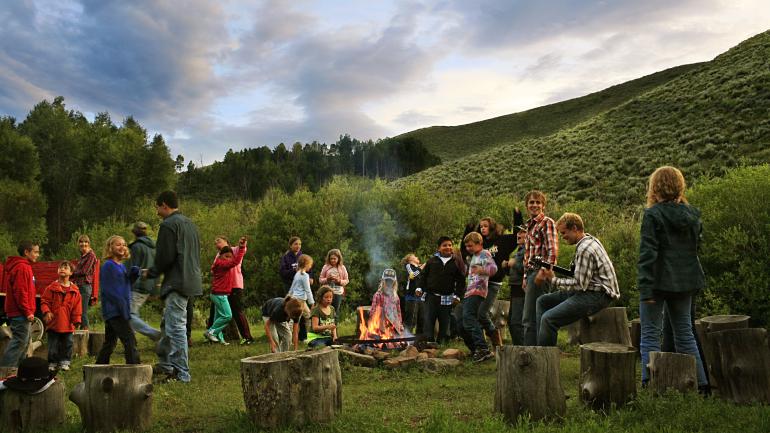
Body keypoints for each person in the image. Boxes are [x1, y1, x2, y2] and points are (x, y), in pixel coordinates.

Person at [637, 166, 708, 391]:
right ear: (679, 186)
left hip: (658, 283)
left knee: (649, 334)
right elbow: (696, 248)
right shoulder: (693, 214)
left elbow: (648, 254)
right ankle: (702, 386)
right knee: (685, 334)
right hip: (686, 282)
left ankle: (650, 385)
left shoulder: (652, 214)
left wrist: (645, 289)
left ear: (655, 188)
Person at [535, 213, 620, 346]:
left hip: (598, 295)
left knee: (548, 319)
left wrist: (553, 280)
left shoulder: (585, 249)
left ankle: (545, 357)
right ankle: (539, 346)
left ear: (574, 228)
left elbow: (580, 284)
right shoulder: (588, 240)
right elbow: (580, 276)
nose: (562, 237)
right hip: (590, 290)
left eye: (564, 233)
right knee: (543, 301)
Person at [144, 191, 202, 383]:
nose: (157, 211)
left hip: (178, 281)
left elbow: (165, 257)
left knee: (176, 326)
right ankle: (166, 363)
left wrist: (151, 272)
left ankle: (181, 373)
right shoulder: (190, 224)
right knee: (167, 322)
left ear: (164, 205)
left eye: (157, 207)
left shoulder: (168, 225)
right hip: (191, 279)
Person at [522, 190, 559, 346]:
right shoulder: (529, 226)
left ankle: (532, 355)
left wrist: (543, 272)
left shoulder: (547, 222)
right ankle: (534, 354)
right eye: (531, 202)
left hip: (540, 273)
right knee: (532, 317)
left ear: (543, 205)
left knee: (531, 318)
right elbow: (528, 254)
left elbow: (553, 250)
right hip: (531, 273)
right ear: (527, 206)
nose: (534, 205)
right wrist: (525, 277)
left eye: (538, 202)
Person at [96, 235, 141, 365]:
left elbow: (124, 286)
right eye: (118, 244)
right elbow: (109, 290)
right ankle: (135, 369)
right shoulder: (108, 266)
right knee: (130, 340)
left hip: (118, 309)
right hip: (115, 310)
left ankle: (98, 368)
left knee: (110, 343)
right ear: (110, 248)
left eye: (124, 244)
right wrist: (123, 310)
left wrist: (133, 276)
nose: (122, 247)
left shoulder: (120, 266)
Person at [416, 237, 465, 343]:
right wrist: (419, 288)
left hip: (447, 297)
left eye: (450, 245)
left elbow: (461, 281)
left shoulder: (456, 262)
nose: (448, 247)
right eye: (444, 245)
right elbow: (423, 276)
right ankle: (428, 341)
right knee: (429, 319)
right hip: (431, 296)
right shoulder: (432, 261)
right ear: (439, 248)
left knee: (445, 320)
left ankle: (442, 342)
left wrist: (457, 295)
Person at [1, 241, 40, 367]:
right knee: (19, 341)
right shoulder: (22, 267)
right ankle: (4, 373)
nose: (37, 255)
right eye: (35, 252)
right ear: (26, 252)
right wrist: (27, 311)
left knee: (23, 343)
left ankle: (18, 372)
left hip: (21, 312)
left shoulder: (24, 266)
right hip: (20, 313)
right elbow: (20, 292)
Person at [208, 236, 254, 345]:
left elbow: (241, 252)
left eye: (218, 240)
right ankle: (213, 336)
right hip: (222, 289)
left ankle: (247, 337)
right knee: (216, 313)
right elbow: (213, 268)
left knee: (236, 311)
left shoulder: (234, 249)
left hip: (235, 285)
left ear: (226, 242)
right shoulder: (219, 255)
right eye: (215, 242)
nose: (216, 243)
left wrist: (242, 245)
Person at [461, 232, 497, 362]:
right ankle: (477, 348)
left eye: (470, 246)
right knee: (464, 320)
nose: (468, 249)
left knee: (469, 318)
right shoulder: (475, 256)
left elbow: (493, 269)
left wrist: (482, 270)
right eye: (466, 246)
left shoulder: (484, 254)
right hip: (470, 291)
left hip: (478, 290)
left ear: (479, 244)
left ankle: (483, 348)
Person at [40, 261, 82, 371]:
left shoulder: (75, 291)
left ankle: (65, 362)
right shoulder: (51, 288)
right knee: (53, 344)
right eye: (60, 268)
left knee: (67, 343)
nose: (62, 269)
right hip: (54, 322)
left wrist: (77, 320)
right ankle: (52, 363)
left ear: (71, 273)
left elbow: (77, 307)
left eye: (65, 268)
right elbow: (44, 301)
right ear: (57, 271)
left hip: (68, 323)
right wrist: (47, 311)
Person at [128, 222, 161, 341]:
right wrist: (156, 289)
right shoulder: (153, 247)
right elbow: (157, 268)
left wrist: (127, 282)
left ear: (134, 232)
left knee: (129, 315)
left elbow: (134, 268)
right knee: (133, 313)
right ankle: (131, 341)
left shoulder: (137, 247)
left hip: (138, 284)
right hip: (149, 284)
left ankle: (154, 334)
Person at [72, 234, 98, 330]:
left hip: (85, 286)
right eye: (81, 245)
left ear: (89, 244)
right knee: (77, 310)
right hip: (79, 285)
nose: (83, 247)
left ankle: (85, 332)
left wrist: (72, 273)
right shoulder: (83, 256)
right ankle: (80, 330)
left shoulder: (91, 255)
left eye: (85, 245)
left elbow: (84, 271)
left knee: (83, 311)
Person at [506, 226, 527, 345]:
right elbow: (512, 273)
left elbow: (527, 269)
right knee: (512, 321)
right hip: (514, 288)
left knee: (516, 322)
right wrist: (506, 266)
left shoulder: (527, 250)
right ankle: (518, 348)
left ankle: (522, 350)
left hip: (520, 289)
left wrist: (513, 264)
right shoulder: (518, 251)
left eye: (523, 232)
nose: (519, 234)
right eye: (518, 232)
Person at [287, 254, 314, 341]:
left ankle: (306, 337)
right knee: (300, 318)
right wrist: (312, 302)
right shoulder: (305, 275)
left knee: (305, 317)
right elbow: (308, 290)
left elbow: (292, 287)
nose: (310, 266)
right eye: (310, 264)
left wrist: (288, 296)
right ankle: (290, 338)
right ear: (306, 264)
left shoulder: (297, 274)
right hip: (300, 301)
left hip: (296, 299)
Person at [369, 269, 404, 336]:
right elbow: (373, 311)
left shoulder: (395, 296)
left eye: (391, 281)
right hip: (381, 325)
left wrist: (400, 324)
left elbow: (398, 312)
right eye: (387, 281)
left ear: (394, 282)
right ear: (383, 281)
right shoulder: (378, 295)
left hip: (393, 326)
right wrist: (372, 324)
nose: (389, 283)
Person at [318, 249, 349, 318]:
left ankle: (334, 327)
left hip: (338, 292)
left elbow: (346, 280)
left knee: (335, 311)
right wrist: (327, 279)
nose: (332, 260)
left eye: (334, 259)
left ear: (338, 258)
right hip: (327, 292)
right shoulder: (325, 267)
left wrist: (339, 281)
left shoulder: (342, 267)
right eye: (331, 258)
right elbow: (320, 279)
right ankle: (325, 327)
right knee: (326, 310)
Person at [401, 253, 425, 335]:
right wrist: (421, 268)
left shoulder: (419, 268)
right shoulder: (408, 266)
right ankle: (405, 340)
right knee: (411, 320)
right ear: (410, 260)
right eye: (415, 256)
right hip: (411, 297)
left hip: (421, 298)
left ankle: (419, 341)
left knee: (422, 319)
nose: (417, 257)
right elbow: (412, 276)